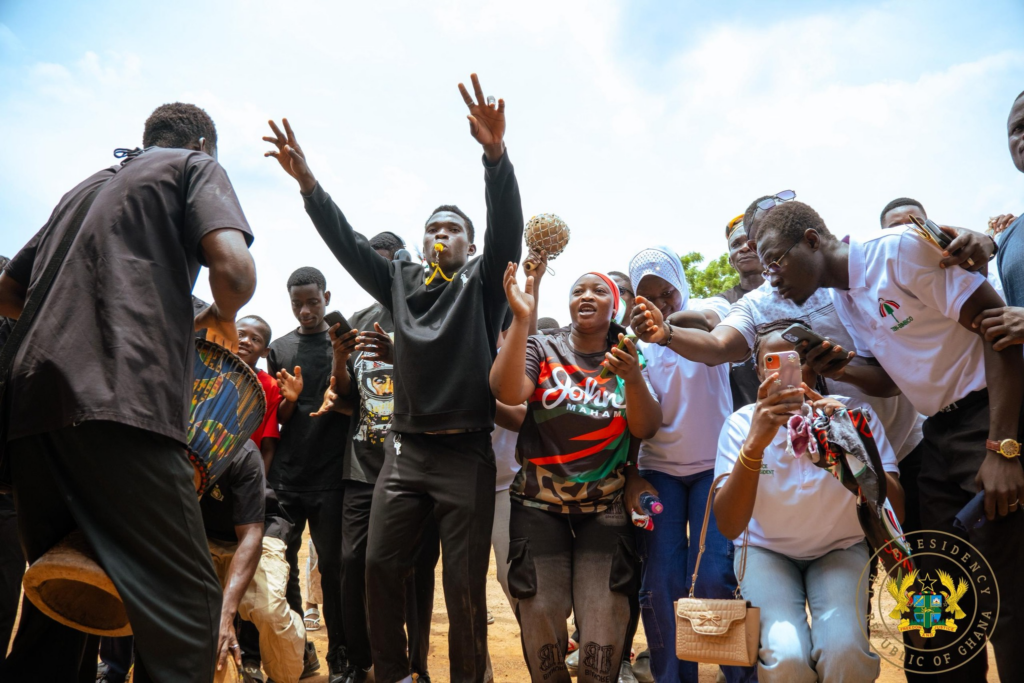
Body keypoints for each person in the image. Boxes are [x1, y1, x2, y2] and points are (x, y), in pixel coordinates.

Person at [263, 73, 523, 683]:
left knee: (462, 589)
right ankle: (393, 673)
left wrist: (495, 157)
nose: (439, 235)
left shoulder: (485, 285)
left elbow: (507, 225)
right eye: (432, 227)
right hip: (403, 454)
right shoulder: (399, 282)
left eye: (451, 229)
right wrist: (309, 185)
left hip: (465, 453)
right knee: (376, 565)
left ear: (469, 244)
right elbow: (349, 245)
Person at [0, 102, 255, 682]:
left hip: (31, 413)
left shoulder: (83, 188)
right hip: (122, 407)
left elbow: (9, 293)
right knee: (188, 609)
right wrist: (222, 311)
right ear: (202, 144)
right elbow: (235, 275)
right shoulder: (195, 166)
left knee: (63, 597)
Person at [754, 199, 1024, 681]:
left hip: (988, 417)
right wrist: (837, 366)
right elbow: (890, 379)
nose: (770, 275)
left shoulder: (898, 252)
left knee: (1007, 594)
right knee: (935, 594)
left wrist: (1003, 445)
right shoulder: (844, 296)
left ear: (812, 240)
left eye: (775, 259)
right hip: (937, 433)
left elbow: (997, 327)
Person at [489, 266, 661, 683]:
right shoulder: (541, 346)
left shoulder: (627, 354)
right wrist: (520, 317)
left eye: (598, 290)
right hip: (537, 505)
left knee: (604, 614)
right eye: (577, 290)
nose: (586, 295)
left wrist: (633, 377)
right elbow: (507, 392)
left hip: (605, 508)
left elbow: (646, 427)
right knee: (539, 611)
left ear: (614, 304)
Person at [713, 320, 903, 682]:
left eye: (799, 359)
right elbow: (730, 525)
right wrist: (755, 443)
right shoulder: (740, 426)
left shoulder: (851, 413)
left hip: (840, 547)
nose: (790, 371)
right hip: (766, 551)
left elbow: (896, 510)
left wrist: (850, 441)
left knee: (844, 652)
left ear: (814, 365)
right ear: (758, 371)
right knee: (786, 657)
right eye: (775, 362)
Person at [313, 231, 440, 683]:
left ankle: (414, 666)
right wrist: (339, 358)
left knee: (414, 570)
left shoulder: (426, 313)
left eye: (384, 265)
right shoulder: (362, 318)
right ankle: (361, 660)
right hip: (362, 466)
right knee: (352, 564)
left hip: (415, 464)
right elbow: (345, 394)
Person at [624, 246, 754, 683]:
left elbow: (715, 333)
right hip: (659, 474)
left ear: (681, 285)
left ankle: (737, 674)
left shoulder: (709, 307)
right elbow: (644, 419)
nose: (661, 303)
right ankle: (673, 677)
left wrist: (665, 326)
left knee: (716, 573)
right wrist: (645, 337)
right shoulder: (634, 346)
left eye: (667, 292)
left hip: (714, 472)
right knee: (661, 578)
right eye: (648, 297)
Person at [266, 266, 356, 683]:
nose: (305, 311)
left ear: (327, 297)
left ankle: (341, 657)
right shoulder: (280, 348)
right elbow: (279, 416)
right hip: (287, 476)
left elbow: (358, 400)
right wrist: (291, 401)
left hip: (333, 476)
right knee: (279, 568)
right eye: (297, 304)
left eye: (313, 302)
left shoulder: (344, 342)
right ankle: (299, 653)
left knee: (335, 570)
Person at [201, 439, 306, 683]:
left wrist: (226, 615)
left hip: (257, 531)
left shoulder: (243, 452)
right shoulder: (169, 449)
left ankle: (286, 676)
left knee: (268, 610)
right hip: (204, 536)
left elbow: (251, 536)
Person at [714, 216, 763, 411]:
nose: (744, 248)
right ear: (731, 260)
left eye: (750, 241)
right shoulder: (719, 303)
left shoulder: (793, 293)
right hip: (742, 416)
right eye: (736, 244)